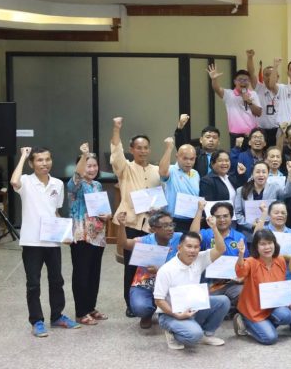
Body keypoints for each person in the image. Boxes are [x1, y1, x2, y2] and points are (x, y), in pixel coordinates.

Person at [12, 146, 79, 337]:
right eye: (39, 160)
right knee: (33, 283)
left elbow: (55, 211)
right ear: (32, 163)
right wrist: (23, 156)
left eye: (47, 159)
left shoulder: (57, 184)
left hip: (52, 241)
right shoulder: (26, 181)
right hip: (32, 242)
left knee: (57, 280)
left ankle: (57, 316)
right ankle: (37, 321)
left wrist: (65, 233)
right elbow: (14, 181)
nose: (44, 163)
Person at [109, 117, 162, 317]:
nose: (143, 151)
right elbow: (116, 154)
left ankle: (151, 300)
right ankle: (130, 304)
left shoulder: (157, 170)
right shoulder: (125, 169)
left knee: (151, 266)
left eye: (146, 147)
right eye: (139, 148)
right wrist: (116, 129)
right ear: (132, 150)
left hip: (152, 226)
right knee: (131, 266)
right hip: (131, 224)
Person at [117, 206, 202, 329]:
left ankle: (167, 311)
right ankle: (147, 313)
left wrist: (199, 210)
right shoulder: (145, 241)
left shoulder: (179, 238)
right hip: (146, 284)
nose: (170, 228)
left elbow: (194, 235)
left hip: (171, 285)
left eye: (171, 224)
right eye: (165, 226)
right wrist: (121, 226)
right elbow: (124, 244)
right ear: (153, 229)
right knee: (140, 307)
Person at [153, 228, 229, 349]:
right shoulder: (166, 270)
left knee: (223, 301)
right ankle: (172, 333)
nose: (193, 250)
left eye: (196, 247)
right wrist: (177, 315)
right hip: (170, 313)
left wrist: (214, 228)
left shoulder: (199, 259)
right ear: (179, 248)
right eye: (189, 246)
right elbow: (158, 300)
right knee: (194, 335)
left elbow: (221, 249)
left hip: (193, 306)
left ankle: (206, 334)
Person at [67, 143, 111, 325]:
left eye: (94, 165)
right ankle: (81, 312)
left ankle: (91, 307)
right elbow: (77, 175)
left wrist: (107, 215)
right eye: (88, 166)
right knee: (82, 274)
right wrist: (84, 154)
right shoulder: (75, 185)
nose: (92, 169)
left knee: (94, 273)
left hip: (98, 236)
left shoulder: (98, 185)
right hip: (82, 235)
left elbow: (103, 208)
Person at [231, 230, 291, 345]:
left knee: (287, 316)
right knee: (270, 338)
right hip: (253, 310)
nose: (267, 247)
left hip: (272, 306)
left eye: (270, 243)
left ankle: (263, 325)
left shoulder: (280, 260)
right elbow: (240, 272)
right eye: (262, 244)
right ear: (256, 247)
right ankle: (245, 322)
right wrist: (241, 254)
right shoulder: (251, 262)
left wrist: (288, 300)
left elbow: (281, 285)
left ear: (274, 244)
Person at [233, 161, 291, 240]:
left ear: (268, 174)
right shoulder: (241, 190)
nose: (261, 175)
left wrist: (290, 173)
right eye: (257, 172)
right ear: (252, 174)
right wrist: (251, 225)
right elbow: (238, 214)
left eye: (264, 172)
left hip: (269, 233)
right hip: (247, 234)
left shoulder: (274, 187)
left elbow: (288, 193)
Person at [208, 60, 262, 145]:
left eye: (246, 80)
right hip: (236, 135)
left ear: (249, 82)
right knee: (236, 153)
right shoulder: (229, 94)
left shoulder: (253, 94)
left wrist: (249, 102)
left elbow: (258, 113)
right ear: (235, 82)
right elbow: (217, 89)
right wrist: (214, 79)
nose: (243, 82)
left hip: (252, 134)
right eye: (240, 80)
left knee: (252, 153)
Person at [158, 136, 199, 233]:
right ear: (177, 157)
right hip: (174, 220)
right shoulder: (171, 170)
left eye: (192, 159)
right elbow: (162, 172)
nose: (188, 162)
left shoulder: (196, 173)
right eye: (185, 158)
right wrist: (169, 148)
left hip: (192, 220)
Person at [253, 57, 287, 145]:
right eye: (266, 75)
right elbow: (251, 73)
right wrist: (250, 58)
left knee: (277, 151)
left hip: (278, 129)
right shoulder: (259, 88)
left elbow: (272, 85)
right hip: (262, 130)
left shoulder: (283, 88)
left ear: (277, 77)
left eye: (272, 75)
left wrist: (275, 66)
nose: (269, 77)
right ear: (263, 77)